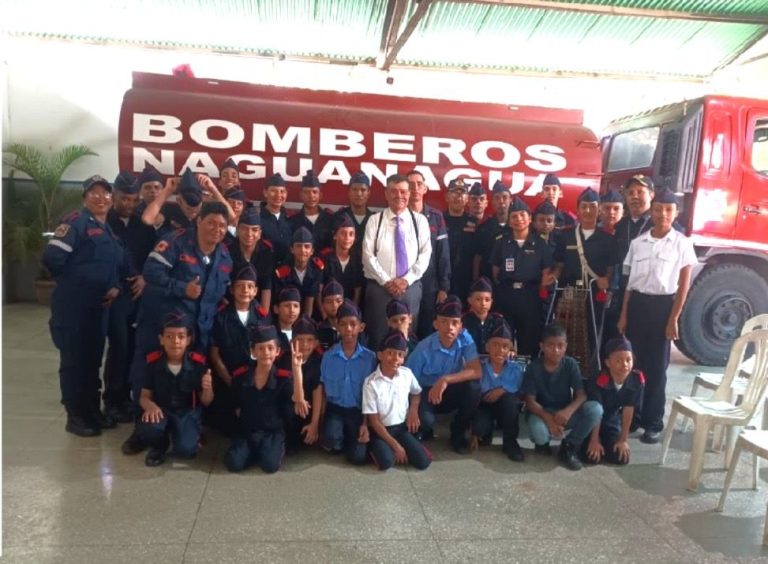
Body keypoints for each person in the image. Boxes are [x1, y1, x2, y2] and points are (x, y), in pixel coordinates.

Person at [122, 201, 232, 455]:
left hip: (198, 332)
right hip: (162, 327)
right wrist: (182, 288)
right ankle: (142, 429)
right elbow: (151, 272)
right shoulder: (175, 241)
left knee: (187, 380)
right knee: (147, 375)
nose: (216, 229)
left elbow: (218, 292)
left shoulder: (225, 256)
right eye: (211, 223)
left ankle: (186, 426)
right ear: (199, 221)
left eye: (222, 225)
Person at [43, 175, 126, 436]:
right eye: (94, 193)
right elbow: (52, 258)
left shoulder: (107, 230)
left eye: (106, 193)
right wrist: (77, 288)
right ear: (84, 198)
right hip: (74, 308)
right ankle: (75, 416)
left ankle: (92, 411)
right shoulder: (76, 222)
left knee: (91, 361)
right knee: (74, 362)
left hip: (98, 309)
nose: (101, 198)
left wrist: (115, 286)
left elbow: (112, 267)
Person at [618, 188, 697, 444]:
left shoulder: (682, 243)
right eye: (658, 209)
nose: (663, 214)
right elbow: (629, 284)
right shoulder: (638, 243)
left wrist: (673, 318)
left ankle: (653, 422)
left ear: (676, 213)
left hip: (663, 308)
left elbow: (684, 286)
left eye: (668, 210)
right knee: (633, 364)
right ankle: (634, 417)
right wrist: (624, 315)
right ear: (651, 212)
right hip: (637, 306)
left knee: (657, 368)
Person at [103, 171, 154, 423]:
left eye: (134, 200)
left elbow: (153, 258)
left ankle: (129, 399)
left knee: (135, 348)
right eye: (124, 198)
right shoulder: (104, 222)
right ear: (114, 195)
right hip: (115, 296)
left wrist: (145, 278)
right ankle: (113, 400)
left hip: (139, 295)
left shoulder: (142, 225)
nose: (129, 204)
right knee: (119, 347)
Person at [552, 187, 618, 377]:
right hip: (569, 293)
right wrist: (553, 275)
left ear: (599, 210)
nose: (588, 211)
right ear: (578, 209)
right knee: (565, 334)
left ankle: (588, 375)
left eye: (592, 206)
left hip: (594, 295)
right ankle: (563, 373)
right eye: (584, 206)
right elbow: (559, 263)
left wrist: (607, 280)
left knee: (592, 335)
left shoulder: (608, 239)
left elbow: (611, 267)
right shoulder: (566, 235)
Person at [362, 174, 432, 349]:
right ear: (386, 194)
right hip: (379, 289)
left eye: (403, 191)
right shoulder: (375, 220)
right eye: (394, 191)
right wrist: (387, 281)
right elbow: (368, 255)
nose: (399, 196)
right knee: (378, 338)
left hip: (410, 289)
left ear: (409, 194)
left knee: (407, 339)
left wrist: (405, 280)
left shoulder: (420, 221)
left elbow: (425, 254)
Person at [406, 296, 481, 454]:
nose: (450, 328)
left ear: (460, 326)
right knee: (425, 421)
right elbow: (407, 382)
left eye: (455, 323)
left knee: (473, 388)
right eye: (444, 322)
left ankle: (458, 431)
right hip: (424, 392)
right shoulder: (423, 348)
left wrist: (445, 379)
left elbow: (476, 370)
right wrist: (412, 409)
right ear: (436, 324)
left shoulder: (465, 339)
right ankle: (424, 429)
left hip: (449, 389)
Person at [522, 323, 603, 471]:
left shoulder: (570, 364)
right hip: (542, 413)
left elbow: (581, 395)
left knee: (595, 409)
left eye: (560, 345)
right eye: (550, 345)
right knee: (539, 433)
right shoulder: (533, 367)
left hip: (563, 413)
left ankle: (569, 446)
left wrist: (568, 411)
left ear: (565, 346)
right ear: (542, 346)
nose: (556, 350)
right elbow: (530, 401)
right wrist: (549, 420)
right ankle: (543, 444)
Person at [138, 311, 213, 467]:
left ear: (188, 340)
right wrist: (150, 406)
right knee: (148, 430)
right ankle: (160, 445)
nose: (176, 341)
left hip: (187, 412)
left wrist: (208, 387)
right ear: (161, 339)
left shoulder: (197, 364)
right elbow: (144, 396)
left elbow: (206, 401)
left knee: (186, 450)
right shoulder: (152, 363)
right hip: (162, 410)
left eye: (181, 336)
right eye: (169, 336)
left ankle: (189, 434)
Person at [208, 264, 271, 436]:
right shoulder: (221, 317)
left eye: (250, 286)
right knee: (228, 427)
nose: (245, 290)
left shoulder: (262, 316)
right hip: (228, 379)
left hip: (255, 381)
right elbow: (215, 355)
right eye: (240, 286)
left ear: (255, 291)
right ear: (232, 289)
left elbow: (268, 352)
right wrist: (231, 382)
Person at [224, 325, 295, 473]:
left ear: (277, 351)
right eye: (260, 348)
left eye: (270, 348)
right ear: (253, 352)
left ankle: (270, 449)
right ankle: (252, 451)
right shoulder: (241, 377)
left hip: (272, 432)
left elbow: (289, 409)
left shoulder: (283, 379)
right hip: (247, 431)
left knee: (270, 466)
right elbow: (236, 404)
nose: (266, 353)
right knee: (233, 463)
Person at [490, 196, 555, 357]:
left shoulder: (540, 244)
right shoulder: (501, 243)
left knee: (529, 343)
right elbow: (496, 272)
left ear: (530, 218)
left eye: (522, 215)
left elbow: (546, 272)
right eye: (514, 216)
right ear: (509, 221)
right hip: (506, 297)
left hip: (530, 298)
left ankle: (526, 372)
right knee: (504, 340)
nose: (518, 219)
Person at [364, 329, 432, 471]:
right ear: (380, 355)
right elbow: (374, 421)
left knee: (423, 462)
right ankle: (374, 448)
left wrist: (413, 410)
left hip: (400, 428)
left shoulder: (406, 374)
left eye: (400, 355)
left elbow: (416, 393)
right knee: (386, 462)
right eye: (390, 353)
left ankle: (405, 447)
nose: (396, 358)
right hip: (380, 431)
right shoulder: (371, 383)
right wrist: (396, 446)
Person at [319, 300, 377, 465]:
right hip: (335, 410)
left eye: (353, 324)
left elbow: (371, 396)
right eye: (343, 324)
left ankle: (350, 439)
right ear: (337, 327)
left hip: (357, 412)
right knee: (331, 439)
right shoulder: (328, 356)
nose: (348, 329)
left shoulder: (370, 358)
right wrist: (320, 423)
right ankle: (337, 438)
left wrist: (365, 423)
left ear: (361, 327)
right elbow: (323, 391)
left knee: (358, 458)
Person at [470, 319, 524, 461]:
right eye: (495, 345)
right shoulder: (479, 366)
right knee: (480, 429)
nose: (500, 350)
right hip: (484, 407)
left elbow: (519, 390)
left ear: (510, 349)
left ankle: (510, 443)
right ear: (487, 347)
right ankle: (482, 431)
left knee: (510, 400)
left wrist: (502, 390)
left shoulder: (515, 369)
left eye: (505, 346)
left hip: (505, 410)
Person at [584, 337, 645, 465]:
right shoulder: (599, 380)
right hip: (591, 422)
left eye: (628, 360)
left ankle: (605, 444)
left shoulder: (636, 380)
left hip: (611, 422)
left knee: (621, 458)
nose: (625, 364)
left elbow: (629, 409)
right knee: (591, 457)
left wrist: (623, 439)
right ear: (607, 363)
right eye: (618, 360)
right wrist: (594, 440)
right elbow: (596, 412)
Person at [407, 170, 451, 339]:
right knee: (407, 326)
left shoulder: (436, 217)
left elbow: (443, 253)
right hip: (407, 282)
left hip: (430, 283)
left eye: (419, 184)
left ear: (425, 188)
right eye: (410, 185)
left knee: (427, 328)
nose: (415, 188)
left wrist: (443, 287)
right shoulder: (399, 216)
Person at [282, 316, 324, 451]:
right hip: (291, 404)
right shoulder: (284, 360)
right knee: (291, 446)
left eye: (310, 340)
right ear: (292, 342)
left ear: (316, 343)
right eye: (300, 339)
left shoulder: (318, 360)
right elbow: (288, 391)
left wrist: (314, 424)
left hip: (310, 406)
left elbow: (317, 390)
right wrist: (299, 400)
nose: (305, 344)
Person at [226, 204, 274, 312]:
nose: (249, 234)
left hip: (256, 305)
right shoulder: (228, 251)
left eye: (254, 230)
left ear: (260, 233)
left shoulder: (266, 252)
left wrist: (263, 316)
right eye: (244, 229)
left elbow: (266, 287)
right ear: (237, 230)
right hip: (230, 303)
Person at [443, 178, 478, 303]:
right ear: (447, 197)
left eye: (462, 193)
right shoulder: (439, 219)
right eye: (454, 193)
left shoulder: (473, 222)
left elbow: (477, 254)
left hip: (466, 278)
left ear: (467, 199)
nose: (458, 197)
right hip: (443, 279)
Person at [274, 226, 323, 316]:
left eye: (307, 247)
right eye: (298, 246)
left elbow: (310, 298)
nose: (302, 250)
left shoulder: (316, 269)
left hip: (310, 314)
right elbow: (281, 302)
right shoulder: (282, 271)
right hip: (287, 313)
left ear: (312, 251)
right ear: (292, 249)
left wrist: (305, 322)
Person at [320, 213, 364, 305]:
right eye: (343, 233)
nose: (347, 238)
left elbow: (358, 291)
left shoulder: (358, 260)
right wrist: (323, 312)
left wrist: (352, 310)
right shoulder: (324, 258)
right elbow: (319, 291)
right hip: (327, 308)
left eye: (351, 234)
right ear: (335, 236)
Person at [289, 170, 334, 251]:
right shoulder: (292, 221)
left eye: (315, 192)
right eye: (306, 192)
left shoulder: (330, 220)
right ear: (301, 195)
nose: (311, 196)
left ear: (320, 195)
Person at [473, 180, 510, 280]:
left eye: (504, 197)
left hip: (510, 281)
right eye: (497, 198)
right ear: (492, 202)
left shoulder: (517, 226)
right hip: (488, 281)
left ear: (510, 200)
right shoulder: (484, 228)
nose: (501, 201)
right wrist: (475, 280)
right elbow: (477, 257)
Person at [461, 277, 504, 358]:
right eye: (478, 299)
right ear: (470, 300)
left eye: (487, 300)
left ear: (491, 302)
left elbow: (506, 343)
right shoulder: (463, 321)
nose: (483, 303)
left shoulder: (498, 321)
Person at [334, 171, 374, 256]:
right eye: (355, 189)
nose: (359, 194)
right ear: (349, 192)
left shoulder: (374, 219)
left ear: (368, 193)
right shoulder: (338, 217)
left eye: (363, 190)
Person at [259, 173, 293, 265]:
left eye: (282, 191)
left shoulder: (289, 220)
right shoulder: (257, 219)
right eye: (274, 191)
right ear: (265, 192)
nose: (278, 195)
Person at [317, 278, 344, 350]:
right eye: (329, 302)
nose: (334, 305)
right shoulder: (318, 331)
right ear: (323, 305)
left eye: (338, 301)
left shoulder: (353, 330)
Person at [272, 286, 302, 350]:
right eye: (287, 306)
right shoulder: (271, 335)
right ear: (276, 309)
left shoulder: (302, 334)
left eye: (296, 306)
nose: (292, 310)